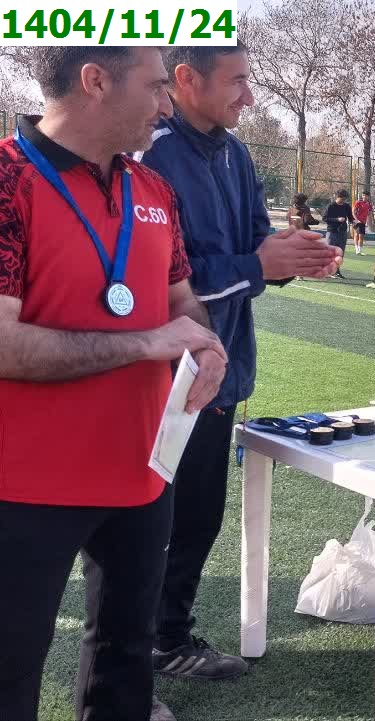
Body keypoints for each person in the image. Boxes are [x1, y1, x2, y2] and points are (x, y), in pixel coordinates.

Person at [0, 46, 230, 721]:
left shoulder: (151, 188)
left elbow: (181, 299)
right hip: (23, 484)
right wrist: (147, 343)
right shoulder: (8, 178)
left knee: (126, 662)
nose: (167, 106)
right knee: (9, 668)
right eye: (156, 87)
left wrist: (206, 343)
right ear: (95, 81)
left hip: (141, 471)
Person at [138, 43, 339, 689]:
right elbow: (162, 279)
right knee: (142, 524)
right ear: (186, 79)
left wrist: (291, 255)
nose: (250, 97)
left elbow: (255, 245)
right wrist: (257, 266)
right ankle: (132, 660)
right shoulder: (149, 153)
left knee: (199, 517)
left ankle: (167, 638)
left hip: (220, 371)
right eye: (239, 81)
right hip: (158, 377)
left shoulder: (237, 153)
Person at [323, 188, 352, 279]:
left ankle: (336, 271)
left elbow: (350, 217)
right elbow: (325, 218)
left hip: (342, 232)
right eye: (342, 198)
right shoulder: (331, 206)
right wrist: (337, 219)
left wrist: (355, 221)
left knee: (340, 253)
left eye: (345, 199)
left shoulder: (346, 206)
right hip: (332, 232)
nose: (344, 200)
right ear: (338, 197)